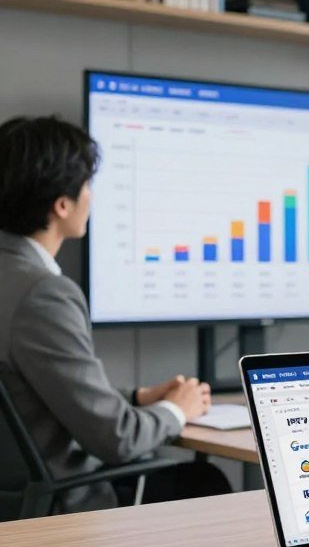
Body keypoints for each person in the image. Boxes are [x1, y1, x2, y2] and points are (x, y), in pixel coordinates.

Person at [0, 116, 229, 517]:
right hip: (55, 511)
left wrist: (139, 398)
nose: (91, 195)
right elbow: (116, 439)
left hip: (14, 495)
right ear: (62, 203)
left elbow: (35, 391)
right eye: (87, 184)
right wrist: (179, 410)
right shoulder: (44, 294)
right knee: (206, 482)